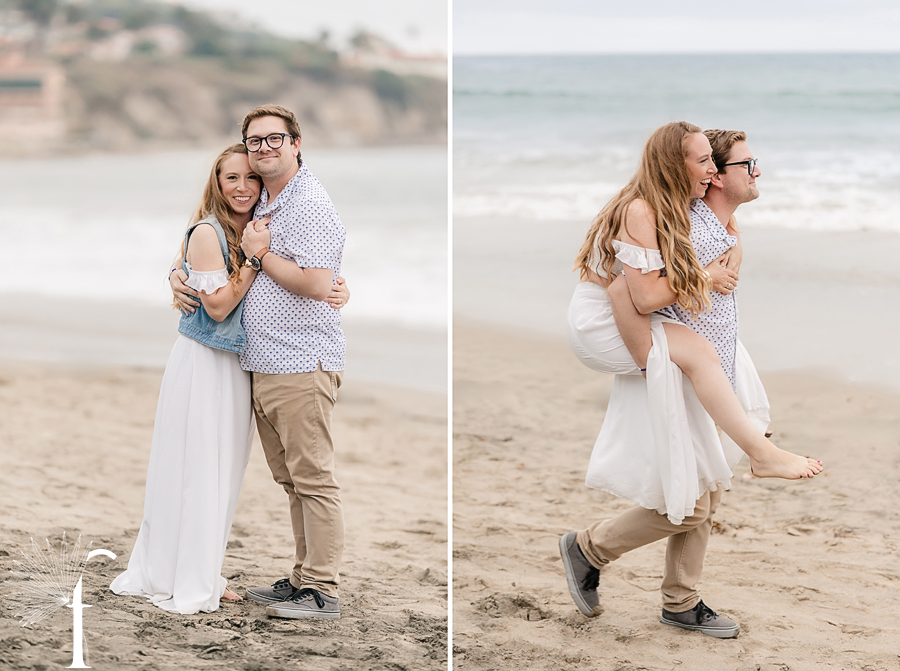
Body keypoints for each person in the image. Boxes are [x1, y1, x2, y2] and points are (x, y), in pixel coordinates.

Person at [559, 122, 821, 638]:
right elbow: (626, 296)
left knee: (710, 485)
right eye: (708, 162)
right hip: (629, 333)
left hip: (683, 345)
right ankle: (588, 547)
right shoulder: (653, 212)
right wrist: (649, 359)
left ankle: (681, 601)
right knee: (691, 500)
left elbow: (704, 300)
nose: (710, 171)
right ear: (707, 173)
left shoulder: (704, 221)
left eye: (710, 160)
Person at [110, 144, 349, 614]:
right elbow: (217, 302)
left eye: (250, 179)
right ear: (216, 185)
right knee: (205, 470)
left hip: (259, 365)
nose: (242, 187)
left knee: (240, 474)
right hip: (213, 365)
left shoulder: (269, 222)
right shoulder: (219, 231)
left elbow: (316, 270)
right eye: (231, 179)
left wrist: (336, 286)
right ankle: (206, 574)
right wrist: (190, 272)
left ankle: (309, 585)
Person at [172, 105, 348, 620]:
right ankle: (301, 580)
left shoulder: (309, 202)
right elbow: (213, 249)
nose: (264, 148)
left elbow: (317, 282)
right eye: (255, 141)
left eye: (275, 139)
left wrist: (260, 256)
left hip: (300, 361)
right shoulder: (271, 200)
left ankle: (322, 589)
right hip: (263, 361)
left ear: (297, 142)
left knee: (313, 479)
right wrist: (177, 275)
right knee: (292, 480)